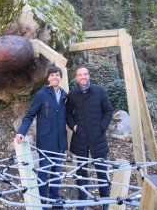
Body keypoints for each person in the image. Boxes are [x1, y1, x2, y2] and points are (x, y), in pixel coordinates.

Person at [15, 66, 68, 204]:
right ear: (48, 78)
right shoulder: (41, 94)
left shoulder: (64, 95)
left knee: (57, 173)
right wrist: (21, 132)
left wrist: (66, 143)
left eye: (57, 75)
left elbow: (66, 118)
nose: (55, 77)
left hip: (60, 142)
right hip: (45, 141)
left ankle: (55, 199)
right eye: (52, 75)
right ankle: (42, 202)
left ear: (60, 78)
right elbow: (29, 116)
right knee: (43, 173)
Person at [66, 66, 113, 210]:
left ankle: (105, 202)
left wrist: (102, 127)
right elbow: (68, 113)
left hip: (97, 138)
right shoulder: (73, 94)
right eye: (80, 75)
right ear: (76, 78)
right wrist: (73, 126)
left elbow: (108, 110)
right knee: (81, 171)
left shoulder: (99, 91)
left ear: (89, 75)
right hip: (80, 138)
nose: (83, 77)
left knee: (102, 171)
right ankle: (82, 201)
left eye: (85, 74)